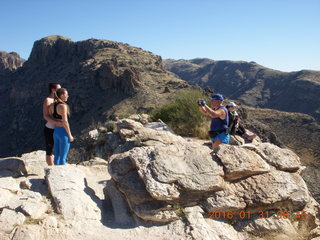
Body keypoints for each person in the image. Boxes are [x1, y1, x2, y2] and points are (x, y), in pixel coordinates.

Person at [51, 88, 74, 165]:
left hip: (56, 131)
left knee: (56, 156)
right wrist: (70, 135)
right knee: (63, 157)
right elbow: (65, 122)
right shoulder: (63, 106)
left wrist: (56, 122)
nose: (68, 96)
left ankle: (54, 173)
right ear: (62, 95)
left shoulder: (52, 106)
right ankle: (62, 175)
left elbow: (51, 118)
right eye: (66, 94)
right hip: (63, 132)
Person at [43, 83, 62, 166]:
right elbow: (45, 116)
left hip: (59, 128)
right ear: (53, 89)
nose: (60, 90)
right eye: (59, 89)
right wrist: (56, 122)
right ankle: (51, 168)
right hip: (50, 128)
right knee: (50, 149)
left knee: (59, 148)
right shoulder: (48, 100)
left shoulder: (59, 99)